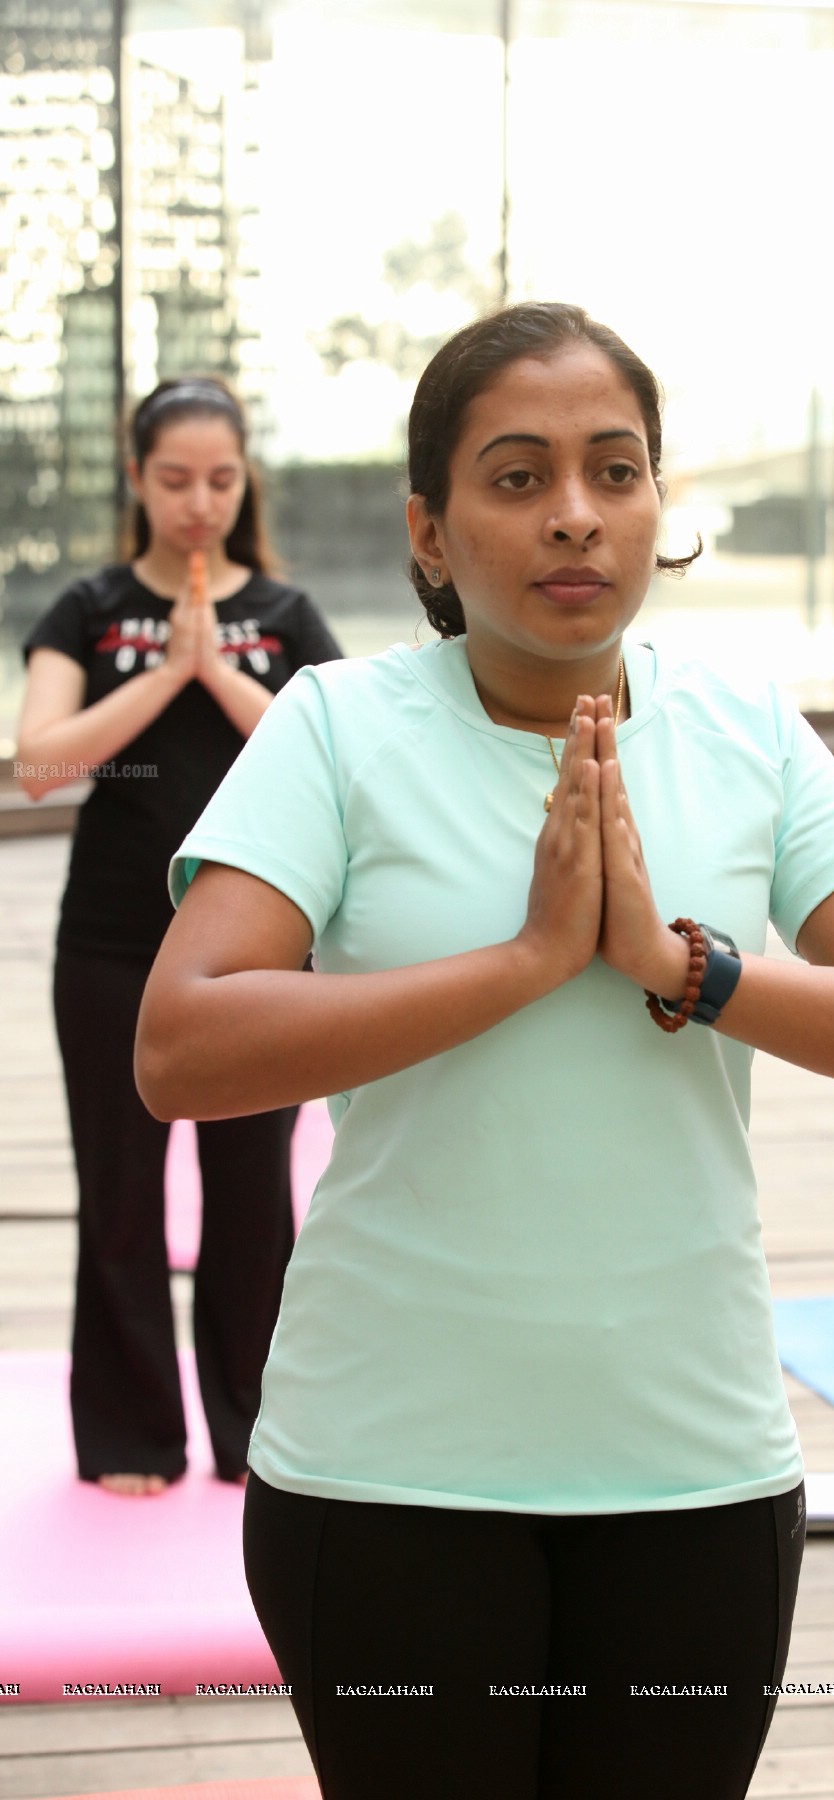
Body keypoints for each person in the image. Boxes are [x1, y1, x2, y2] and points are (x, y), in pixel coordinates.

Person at [136, 304, 834, 1800]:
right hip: (386, 1473)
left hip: (695, 1472)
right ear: (430, 525)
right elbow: (183, 1047)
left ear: (662, 505)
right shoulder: (336, 729)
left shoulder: (746, 731)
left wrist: (689, 968)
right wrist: (528, 962)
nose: (576, 516)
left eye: (616, 469)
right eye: (519, 476)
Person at [16, 376, 342, 1495]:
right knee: (122, 1193)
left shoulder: (286, 617)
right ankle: (130, 1434)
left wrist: (218, 669)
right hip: (110, 948)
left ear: (244, 478)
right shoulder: (88, 608)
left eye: (219, 478)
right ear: (136, 478)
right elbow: (40, 765)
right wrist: (162, 672)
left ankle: (256, 1431)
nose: (199, 501)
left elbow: (337, 758)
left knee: (256, 1195)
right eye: (173, 480)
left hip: (263, 955)